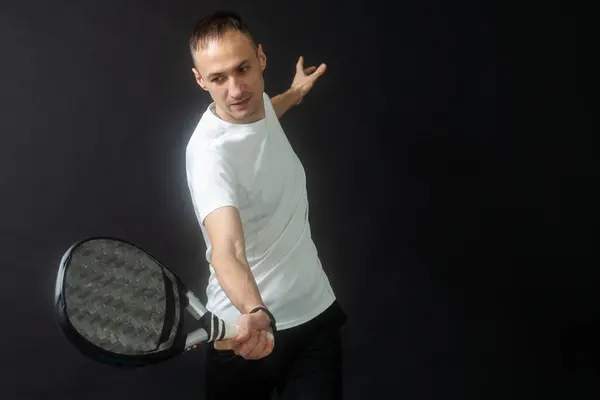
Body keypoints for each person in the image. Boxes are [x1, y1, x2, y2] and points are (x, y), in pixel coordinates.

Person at [185, 10, 347, 400]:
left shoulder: (258, 107)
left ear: (261, 59)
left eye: (243, 69)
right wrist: (255, 311)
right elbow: (227, 249)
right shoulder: (210, 155)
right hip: (245, 336)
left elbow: (267, 112)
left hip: (313, 321)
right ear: (200, 80)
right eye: (219, 78)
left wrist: (296, 92)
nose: (236, 89)